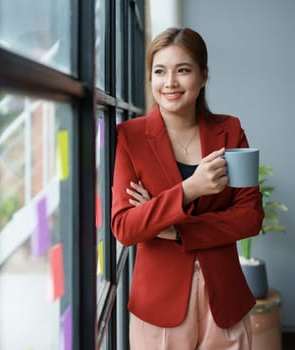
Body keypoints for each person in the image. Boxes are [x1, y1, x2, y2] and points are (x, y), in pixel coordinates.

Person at [110, 27, 264, 350]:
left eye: (183, 70)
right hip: (159, 307)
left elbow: (250, 217)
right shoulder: (129, 137)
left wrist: (178, 230)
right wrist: (189, 189)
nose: (170, 83)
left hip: (225, 303)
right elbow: (125, 227)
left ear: (204, 76)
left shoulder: (230, 130)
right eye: (160, 71)